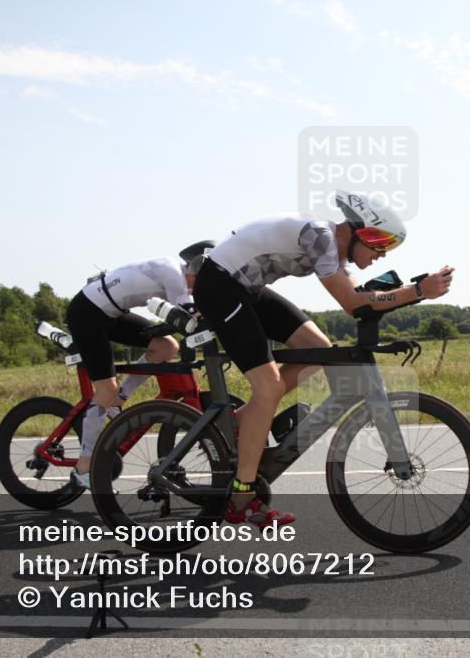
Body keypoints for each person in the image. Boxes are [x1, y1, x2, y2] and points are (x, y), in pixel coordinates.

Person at [191, 191, 454, 528]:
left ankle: (243, 421)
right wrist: (418, 291)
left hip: (246, 288)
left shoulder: (332, 249)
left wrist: (408, 294)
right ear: (359, 231)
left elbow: (360, 298)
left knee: (319, 349)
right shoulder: (319, 236)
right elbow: (351, 303)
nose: (383, 253)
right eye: (380, 243)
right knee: (268, 388)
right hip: (219, 287)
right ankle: (241, 499)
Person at [66, 240, 215, 488]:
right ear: (193, 268)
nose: (201, 287)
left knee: (166, 347)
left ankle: (118, 400)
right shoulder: (172, 272)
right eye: (203, 279)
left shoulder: (180, 279)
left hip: (112, 313)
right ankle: (84, 467)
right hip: (87, 312)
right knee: (105, 390)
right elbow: (190, 316)